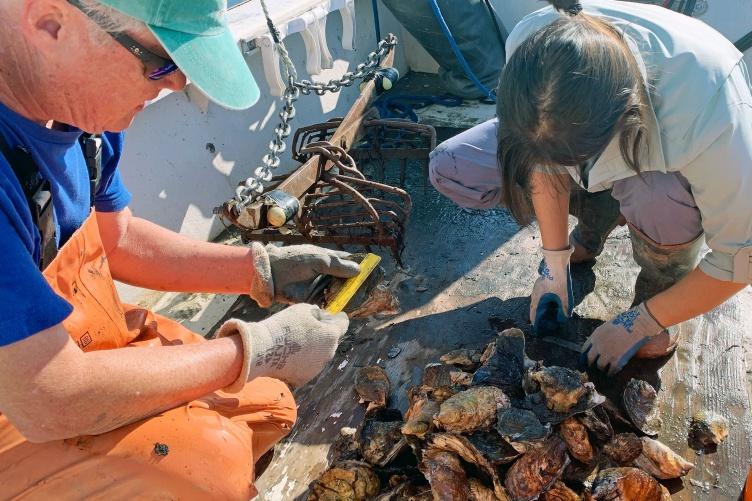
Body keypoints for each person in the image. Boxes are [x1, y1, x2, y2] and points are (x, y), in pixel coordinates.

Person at [0, 0, 360, 498]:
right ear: (49, 23)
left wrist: (256, 269)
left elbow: (117, 240)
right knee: (205, 464)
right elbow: (48, 400)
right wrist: (256, 348)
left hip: (72, 350)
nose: (176, 85)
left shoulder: (81, 116)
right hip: (28, 395)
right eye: (160, 62)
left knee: (268, 404)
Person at [429, 0, 752, 376]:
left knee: (658, 197)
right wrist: (554, 264)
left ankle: (656, 296)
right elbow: (541, 158)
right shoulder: (532, 40)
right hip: (579, 140)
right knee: (453, 165)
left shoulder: (713, 107)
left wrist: (643, 321)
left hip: (663, 165)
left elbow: (739, 259)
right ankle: (592, 223)